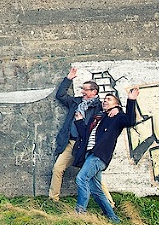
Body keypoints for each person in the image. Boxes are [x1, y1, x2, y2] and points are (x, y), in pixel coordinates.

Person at [48, 68, 115, 206]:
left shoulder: (99, 107)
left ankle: (110, 203)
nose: (82, 92)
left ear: (94, 92)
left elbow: (112, 113)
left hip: (86, 146)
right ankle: (53, 200)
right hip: (70, 142)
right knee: (57, 168)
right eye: (82, 89)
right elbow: (60, 95)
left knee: (94, 176)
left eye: (85, 89)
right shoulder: (76, 102)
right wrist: (69, 79)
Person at [73, 86, 139, 223]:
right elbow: (86, 135)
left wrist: (131, 100)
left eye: (109, 99)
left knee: (81, 178)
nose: (105, 101)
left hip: (99, 156)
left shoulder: (117, 117)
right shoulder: (100, 117)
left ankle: (79, 213)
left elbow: (130, 121)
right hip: (90, 154)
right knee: (96, 190)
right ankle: (114, 219)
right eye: (104, 100)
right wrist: (79, 120)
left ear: (116, 104)